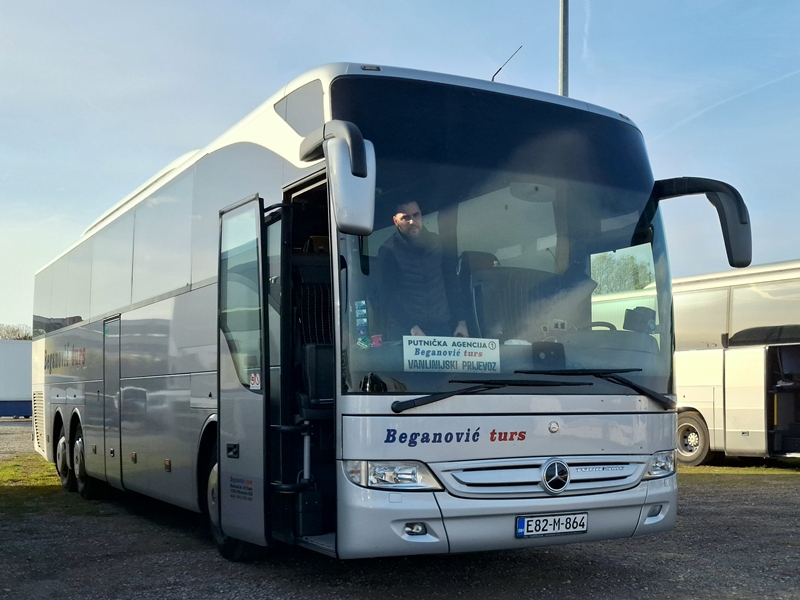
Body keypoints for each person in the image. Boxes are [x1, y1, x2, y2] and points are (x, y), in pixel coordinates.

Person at [376, 201, 468, 339]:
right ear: (395, 221)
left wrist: (461, 321)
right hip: (406, 331)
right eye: (406, 217)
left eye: (416, 215)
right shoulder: (388, 251)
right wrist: (411, 327)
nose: (412, 221)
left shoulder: (439, 244)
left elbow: (452, 283)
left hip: (441, 327)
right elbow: (387, 296)